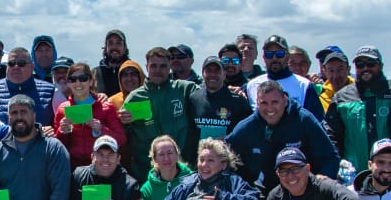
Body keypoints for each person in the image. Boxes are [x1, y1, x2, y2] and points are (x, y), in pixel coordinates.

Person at [226, 79, 340, 193]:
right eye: (264, 103)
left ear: (284, 100)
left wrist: (323, 179)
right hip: (265, 191)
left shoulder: (304, 120)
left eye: (274, 102)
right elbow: (223, 153)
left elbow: (330, 157)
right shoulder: (248, 126)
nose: (269, 108)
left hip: (305, 189)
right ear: (257, 103)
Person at [325, 45, 391, 183]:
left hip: (390, 175)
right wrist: (338, 163)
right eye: (360, 64)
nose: (365, 68)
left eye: (370, 64)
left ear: (380, 66)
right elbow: (331, 137)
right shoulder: (341, 97)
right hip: (354, 176)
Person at [121, 46, 197, 181]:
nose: (158, 70)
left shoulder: (184, 89)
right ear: (146, 67)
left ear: (169, 67)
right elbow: (120, 134)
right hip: (147, 174)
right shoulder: (135, 97)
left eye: (163, 66)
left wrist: (233, 90)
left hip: (182, 173)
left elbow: (210, 93)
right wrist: (121, 120)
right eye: (154, 66)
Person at [54, 61, 126, 166]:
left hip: (101, 167)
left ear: (91, 81)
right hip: (74, 168)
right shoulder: (62, 109)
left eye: (83, 79)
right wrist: (63, 132)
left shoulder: (106, 107)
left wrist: (101, 130)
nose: (78, 83)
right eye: (73, 79)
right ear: (68, 83)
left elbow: (121, 139)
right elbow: (58, 146)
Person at [243, 35, 324, 122]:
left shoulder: (304, 85)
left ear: (287, 56)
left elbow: (317, 122)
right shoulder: (251, 86)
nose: (274, 58)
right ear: (264, 57)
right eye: (269, 54)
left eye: (279, 54)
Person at [0, 47, 56, 125]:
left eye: (21, 63)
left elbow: (61, 123)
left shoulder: (51, 91)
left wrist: (52, 130)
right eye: (11, 63)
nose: (16, 67)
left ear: (32, 67)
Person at [188, 55, 252, 143]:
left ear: (224, 74)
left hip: (228, 154)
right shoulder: (193, 98)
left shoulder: (238, 101)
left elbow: (246, 132)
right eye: (209, 70)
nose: (212, 74)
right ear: (202, 73)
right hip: (199, 155)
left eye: (217, 71)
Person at [315, 47, 353, 113]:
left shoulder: (361, 92)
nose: (336, 76)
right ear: (325, 71)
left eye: (340, 70)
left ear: (348, 69)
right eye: (331, 70)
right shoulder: (319, 99)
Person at [93, 29, 130, 95]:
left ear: (124, 48)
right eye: (110, 43)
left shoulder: (134, 72)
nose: (114, 47)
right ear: (105, 48)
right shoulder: (94, 73)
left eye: (118, 43)